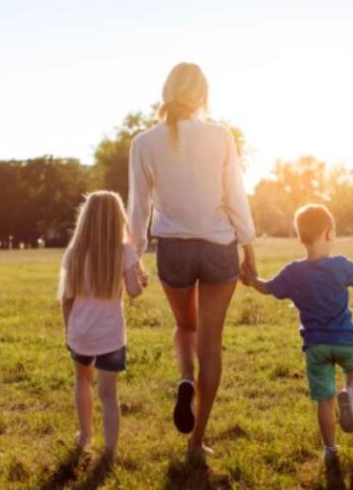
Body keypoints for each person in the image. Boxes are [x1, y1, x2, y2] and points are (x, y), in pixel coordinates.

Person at [128, 62, 257, 457]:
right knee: (211, 343)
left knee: (186, 326)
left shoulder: (144, 142)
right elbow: (235, 195)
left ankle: (186, 378)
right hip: (218, 247)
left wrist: (134, 256)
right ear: (202, 94)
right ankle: (197, 440)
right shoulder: (220, 136)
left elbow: (138, 208)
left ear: (167, 91)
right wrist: (249, 248)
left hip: (174, 250)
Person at [243, 204, 353, 461]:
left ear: (300, 238)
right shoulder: (339, 265)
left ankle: (330, 449)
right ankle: (350, 391)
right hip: (344, 341)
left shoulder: (293, 272)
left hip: (315, 346)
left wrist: (251, 278)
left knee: (325, 400)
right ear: (329, 233)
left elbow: (266, 288)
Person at [60, 190, 148, 460]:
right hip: (110, 335)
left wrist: (68, 330)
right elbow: (134, 291)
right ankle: (110, 450)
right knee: (109, 394)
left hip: (80, 332)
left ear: (86, 218)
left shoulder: (74, 253)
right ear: (118, 218)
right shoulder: (124, 251)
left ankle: (85, 437)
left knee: (82, 381)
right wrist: (140, 280)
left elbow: (66, 298)